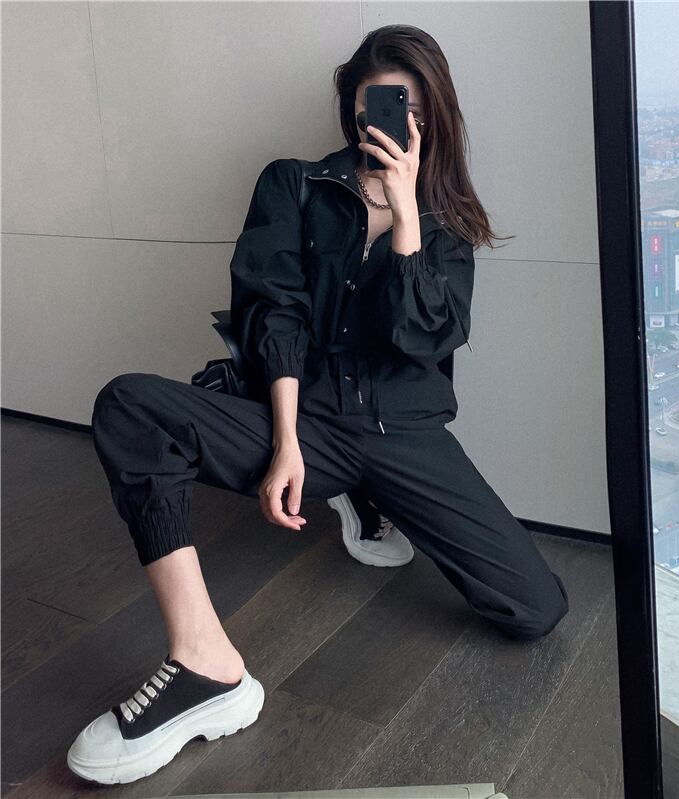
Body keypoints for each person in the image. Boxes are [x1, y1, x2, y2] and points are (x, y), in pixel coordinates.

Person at [67, 23, 569, 785]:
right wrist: (287, 439)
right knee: (128, 407)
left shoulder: (449, 222)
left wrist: (406, 214)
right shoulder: (294, 185)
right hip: (305, 417)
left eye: (414, 110)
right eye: (381, 108)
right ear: (354, 111)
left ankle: (370, 494)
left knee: (535, 608)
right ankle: (205, 662)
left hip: (403, 431)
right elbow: (275, 314)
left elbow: (423, 336)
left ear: (436, 115)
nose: (399, 125)